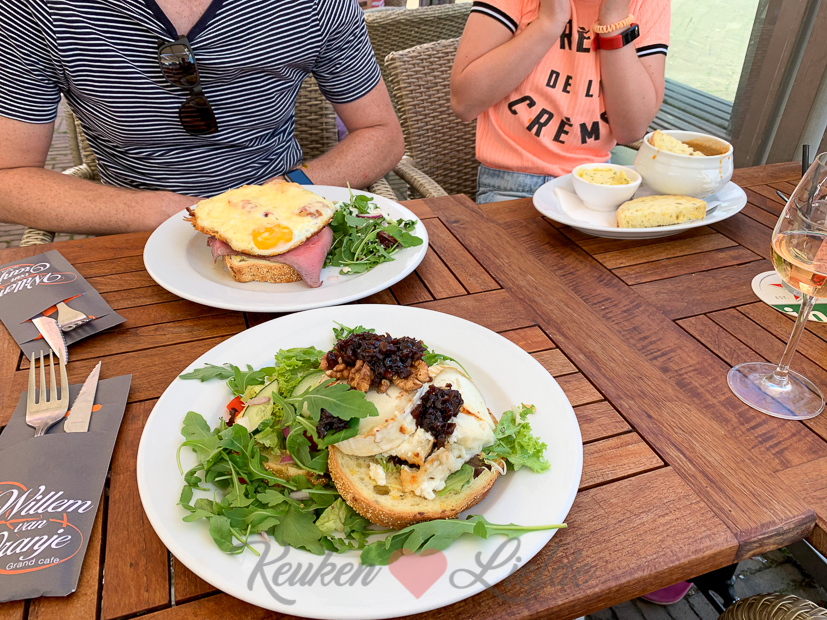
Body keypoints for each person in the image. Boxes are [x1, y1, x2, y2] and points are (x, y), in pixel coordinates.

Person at [0, 0, 405, 234]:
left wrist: (285, 191)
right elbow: (9, 175)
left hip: (286, 215)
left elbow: (381, 133)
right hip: (135, 232)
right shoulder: (36, 10)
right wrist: (153, 213)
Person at [451, 0, 670, 203]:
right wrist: (550, 21)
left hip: (598, 184)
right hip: (511, 186)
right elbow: (465, 103)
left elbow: (630, 129)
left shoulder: (646, 3)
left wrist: (614, 20)